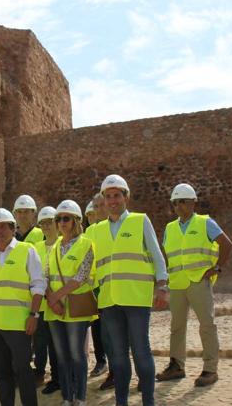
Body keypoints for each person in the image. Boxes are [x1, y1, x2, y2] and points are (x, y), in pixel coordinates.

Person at [89, 174, 168, 406]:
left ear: (126, 197)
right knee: (119, 357)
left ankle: (148, 402)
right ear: (103, 201)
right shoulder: (95, 231)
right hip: (109, 301)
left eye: (117, 196)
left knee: (142, 351)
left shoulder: (140, 221)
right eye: (109, 197)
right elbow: (86, 267)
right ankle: (121, 402)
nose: (113, 201)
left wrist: (162, 286)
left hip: (136, 298)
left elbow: (156, 255)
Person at [156, 183, 232, 387]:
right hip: (178, 283)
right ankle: (176, 366)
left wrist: (217, 268)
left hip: (199, 280)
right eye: (175, 202)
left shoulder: (205, 223)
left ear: (193, 203)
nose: (179, 206)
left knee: (207, 325)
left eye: (183, 201)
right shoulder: (170, 228)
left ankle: (210, 369)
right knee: (176, 327)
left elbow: (227, 244)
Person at [0, 208, 45, 406]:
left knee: (23, 371)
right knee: (2, 372)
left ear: (12, 228)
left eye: (3, 226)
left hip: (19, 324)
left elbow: (38, 285)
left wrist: (34, 315)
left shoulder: (26, 250)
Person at [45, 200, 97, 406]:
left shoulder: (86, 244)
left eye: (66, 218)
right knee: (61, 357)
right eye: (58, 219)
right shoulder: (54, 247)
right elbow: (46, 276)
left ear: (76, 220)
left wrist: (56, 297)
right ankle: (67, 397)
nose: (61, 223)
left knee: (77, 355)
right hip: (55, 309)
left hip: (75, 307)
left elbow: (81, 276)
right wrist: (51, 300)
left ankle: (80, 397)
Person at [84, 195, 113, 389]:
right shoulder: (90, 232)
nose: (94, 215)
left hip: (113, 288)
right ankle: (103, 362)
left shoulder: (112, 229)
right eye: (91, 212)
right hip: (96, 289)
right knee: (99, 329)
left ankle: (116, 369)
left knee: (115, 332)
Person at [33, 206, 61, 395]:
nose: (46, 227)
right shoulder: (36, 248)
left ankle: (59, 378)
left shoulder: (64, 243)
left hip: (60, 303)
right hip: (42, 304)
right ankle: (42, 374)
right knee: (41, 342)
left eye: (49, 222)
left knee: (56, 345)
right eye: (42, 223)